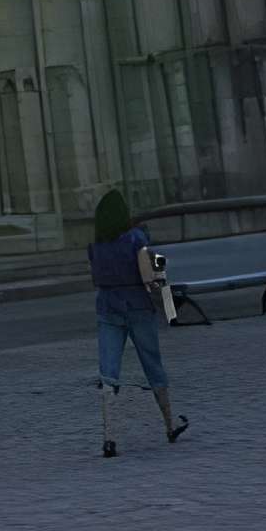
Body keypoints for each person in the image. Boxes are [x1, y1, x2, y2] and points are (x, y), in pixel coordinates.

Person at [88, 189, 187, 458]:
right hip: (138, 307)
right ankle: (170, 424)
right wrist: (164, 295)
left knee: (109, 373)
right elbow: (149, 276)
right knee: (152, 364)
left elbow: (95, 279)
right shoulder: (136, 239)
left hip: (108, 308)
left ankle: (109, 437)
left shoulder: (96, 245)